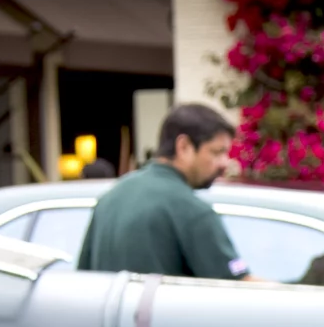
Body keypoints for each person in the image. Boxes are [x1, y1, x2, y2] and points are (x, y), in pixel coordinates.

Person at [77, 104, 247, 279]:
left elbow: (84, 281)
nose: (224, 163)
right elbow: (238, 288)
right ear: (184, 146)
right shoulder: (190, 210)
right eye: (217, 152)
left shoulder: (109, 199)